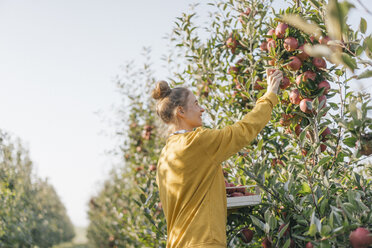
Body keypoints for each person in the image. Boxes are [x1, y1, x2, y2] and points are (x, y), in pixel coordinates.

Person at [152, 69, 283, 248]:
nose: (202, 109)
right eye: (196, 104)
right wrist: (270, 95)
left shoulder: (165, 157)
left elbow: (191, 200)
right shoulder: (197, 142)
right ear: (181, 111)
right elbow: (243, 130)